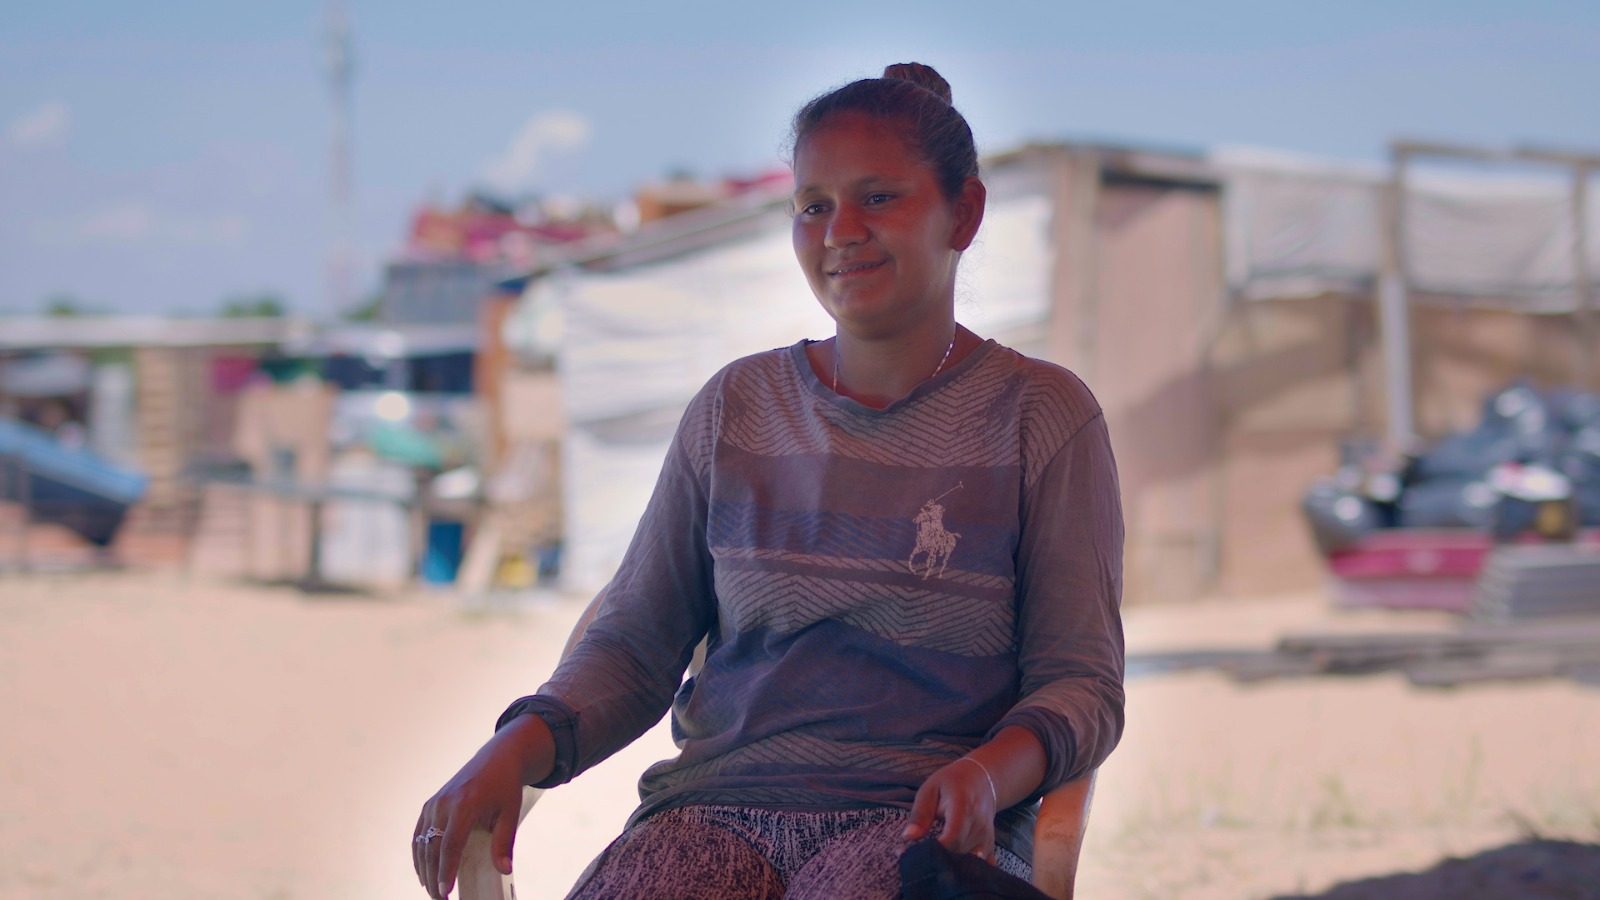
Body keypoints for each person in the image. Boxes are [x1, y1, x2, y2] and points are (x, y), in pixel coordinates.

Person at [413, 62, 1125, 899]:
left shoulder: (1040, 416)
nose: (840, 231)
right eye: (814, 206)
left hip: (921, 826)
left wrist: (989, 776)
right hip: (710, 811)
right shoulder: (734, 409)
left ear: (962, 213)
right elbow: (635, 641)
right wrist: (517, 744)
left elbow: (1081, 681)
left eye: (879, 198)